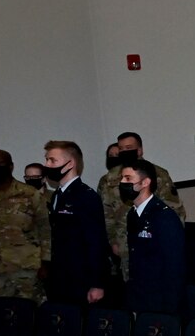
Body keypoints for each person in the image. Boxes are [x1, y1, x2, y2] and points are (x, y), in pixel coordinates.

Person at [96, 134, 183, 276]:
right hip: (125, 244)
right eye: (121, 148)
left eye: (129, 148)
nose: (124, 151)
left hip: (155, 243)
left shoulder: (158, 174)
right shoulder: (109, 179)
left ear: (140, 150)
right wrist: (112, 241)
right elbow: (106, 214)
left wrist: (171, 244)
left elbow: (174, 210)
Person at [0, 150, 50, 303]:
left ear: (11, 166)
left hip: (28, 269)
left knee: (32, 315)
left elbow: (45, 229)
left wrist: (46, 263)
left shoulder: (30, 194)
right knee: (3, 317)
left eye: (0, 164)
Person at [40, 141, 108, 306]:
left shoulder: (86, 196)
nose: (47, 164)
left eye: (52, 160)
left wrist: (97, 284)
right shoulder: (57, 195)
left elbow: (96, 243)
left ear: (70, 163)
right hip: (60, 277)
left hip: (81, 279)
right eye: (47, 160)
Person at [120, 159, 185, 315]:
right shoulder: (132, 214)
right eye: (122, 178)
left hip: (160, 298)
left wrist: (170, 307)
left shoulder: (163, 216)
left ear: (145, 182)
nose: (122, 183)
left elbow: (174, 264)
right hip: (139, 293)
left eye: (128, 179)